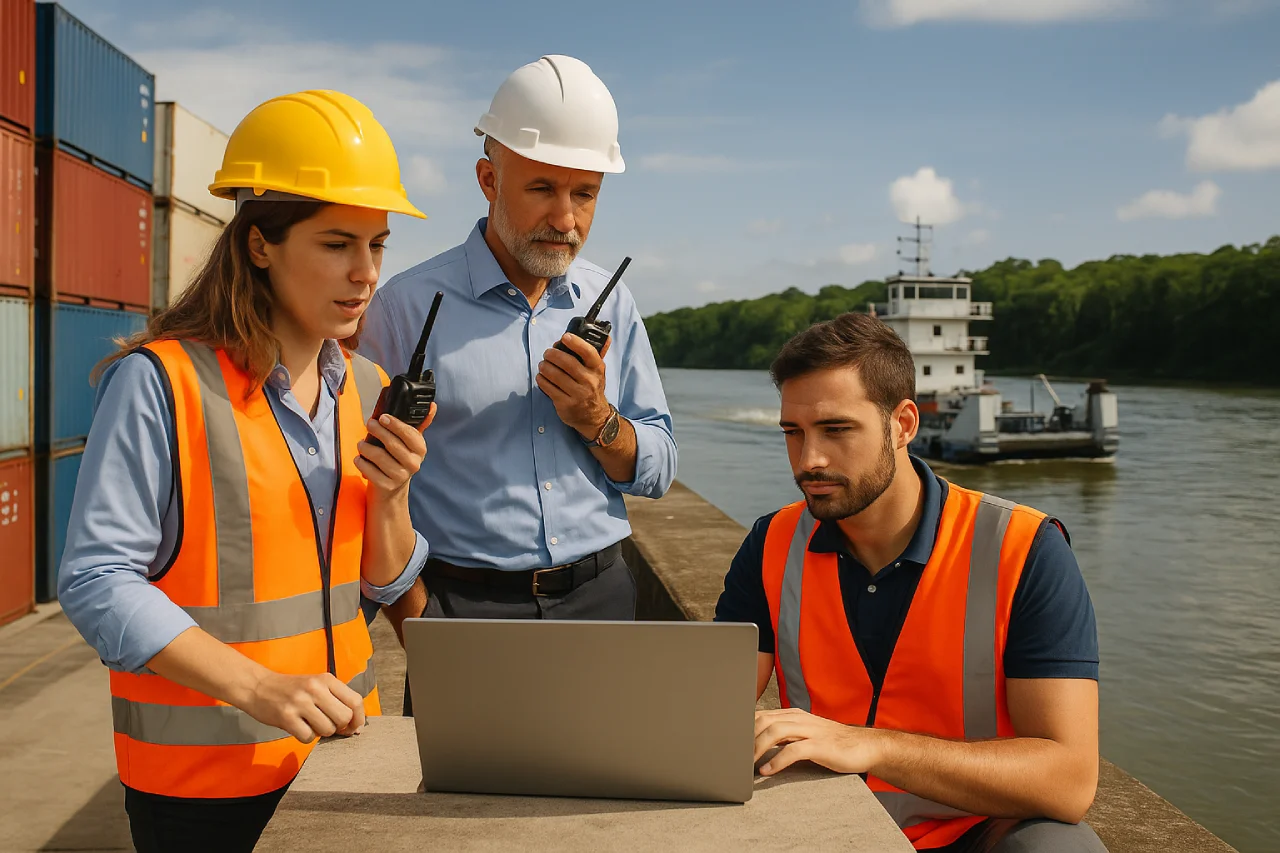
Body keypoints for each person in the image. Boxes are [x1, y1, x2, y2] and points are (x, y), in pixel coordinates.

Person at [57, 90, 433, 852]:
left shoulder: (364, 386)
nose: (365, 273)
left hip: (346, 759)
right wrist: (258, 685)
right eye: (337, 244)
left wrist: (391, 497)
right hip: (203, 788)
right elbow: (96, 578)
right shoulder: (160, 383)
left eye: (377, 245)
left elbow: (382, 581)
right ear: (260, 244)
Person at [715, 312, 1107, 853]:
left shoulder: (1025, 548)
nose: (809, 460)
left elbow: (1069, 782)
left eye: (836, 429)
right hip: (819, 824)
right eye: (793, 432)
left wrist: (872, 746)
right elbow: (715, 704)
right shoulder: (772, 542)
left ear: (903, 424)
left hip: (973, 830)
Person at [359, 55, 676, 707]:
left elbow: (660, 467)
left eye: (584, 193)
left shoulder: (614, 304)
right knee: (465, 781)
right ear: (488, 179)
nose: (565, 218)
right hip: (460, 611)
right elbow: (362, 484)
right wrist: (419, 620)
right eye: (542, 188)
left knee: (606, 777)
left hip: (603, 601)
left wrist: (598, 420)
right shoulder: (402, 310)